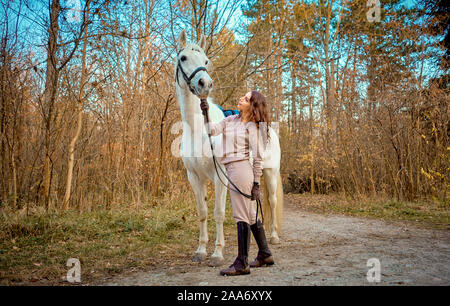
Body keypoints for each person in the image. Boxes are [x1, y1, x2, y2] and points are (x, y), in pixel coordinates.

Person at [200, 90, 274, 276]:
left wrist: (256, 183)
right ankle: (265, 254)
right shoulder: (231, 120)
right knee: (249, 214)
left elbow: (258, 159)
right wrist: (206, 114)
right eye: (243, 96)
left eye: (246, 99)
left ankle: (242, 263)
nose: (241, 99)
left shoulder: (254, 128)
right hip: (232, 169)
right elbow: (212, 130)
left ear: (253, 106)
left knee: (241, 216)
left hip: (241, 171)